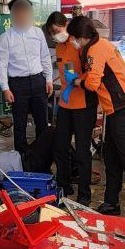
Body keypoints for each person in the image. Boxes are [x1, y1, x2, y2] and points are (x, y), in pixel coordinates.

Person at [66, 16, 125, 234]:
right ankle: (111, 203)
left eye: (73, 38)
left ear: (81, 37)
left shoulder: (94, 50)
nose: (73, 42)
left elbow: (92, 83)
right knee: (110, 157)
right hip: (116, 110)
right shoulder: (99, 46)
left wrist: (77, 81)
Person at [44, 11, 98, 204]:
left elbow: (92, 75)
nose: (55, 35)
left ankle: (84, 194)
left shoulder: (80, 45)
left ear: (66, 25)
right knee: (60, 147)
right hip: (66, 104)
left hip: (84, 104)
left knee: (83, 151)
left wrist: (77, 81)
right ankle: (63, 186)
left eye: (57, 30)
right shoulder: (59, 48)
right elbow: (66, 70)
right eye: (52, 33)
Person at [0, 0, 53, 154]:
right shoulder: (5, 38)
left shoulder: (37, 33)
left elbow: (45, 57)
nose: (22, 16)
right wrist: (5, 88)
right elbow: (1, 65)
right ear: (13, 15)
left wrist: (48, 79)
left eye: (25, 12)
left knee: (42, 123)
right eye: (18, 13)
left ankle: (43, 159)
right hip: (17, 85)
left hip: (38, 81)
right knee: (20, 125)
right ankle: (22, 161)